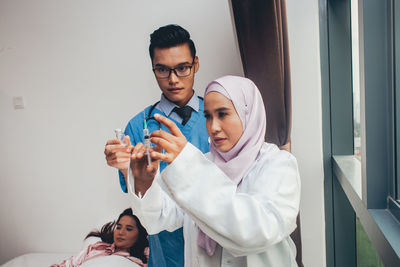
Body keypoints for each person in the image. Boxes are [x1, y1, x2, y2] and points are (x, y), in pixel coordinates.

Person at [126, 75, 301, 266]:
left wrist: (188, 164)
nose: (213, 127)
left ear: (248, 114)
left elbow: (258, 232)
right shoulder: (204, 163)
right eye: (208, 116)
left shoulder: (278, 165)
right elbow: (157, 220)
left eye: (223, 114)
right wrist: (144, 182)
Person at [104, 24, 209, 267]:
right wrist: (123, 167)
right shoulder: (138, 126)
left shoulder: (216, 119)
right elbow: (139, 198)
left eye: (182, 68)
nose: (173, 79)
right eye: (162, 70)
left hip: (214, 250)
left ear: (196, 64)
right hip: (166, 255)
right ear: (153, 69)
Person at [51, 208, 149, 267]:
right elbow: (68, 264)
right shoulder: (97, 247)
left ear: (139, 234)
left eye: (129, 229)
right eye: (118, 227)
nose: (121, 232)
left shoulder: (145, 256)